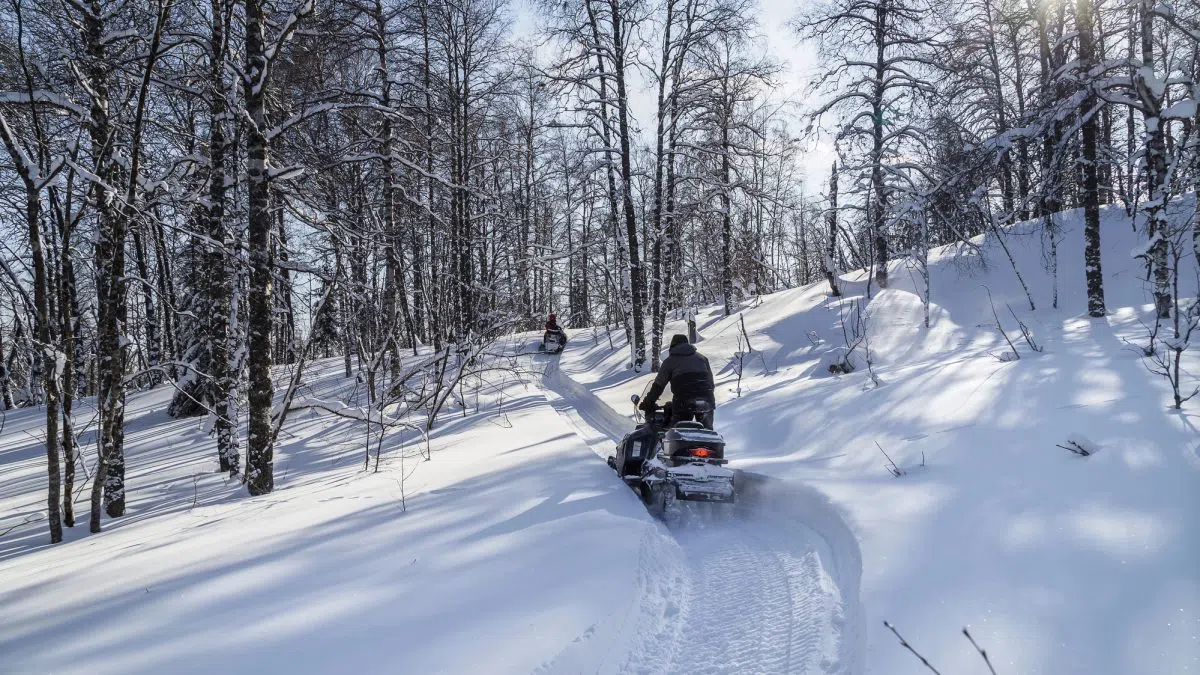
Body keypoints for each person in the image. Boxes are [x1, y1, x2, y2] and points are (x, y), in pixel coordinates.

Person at [639, 334, 715, 429]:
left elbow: (658, 386)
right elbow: (711, 384)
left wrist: (648, 403)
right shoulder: (702, 359)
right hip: (706, 400)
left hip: (683, 402)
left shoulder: (669, 362)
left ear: (672, 346)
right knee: (708, 433)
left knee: (678, 434)